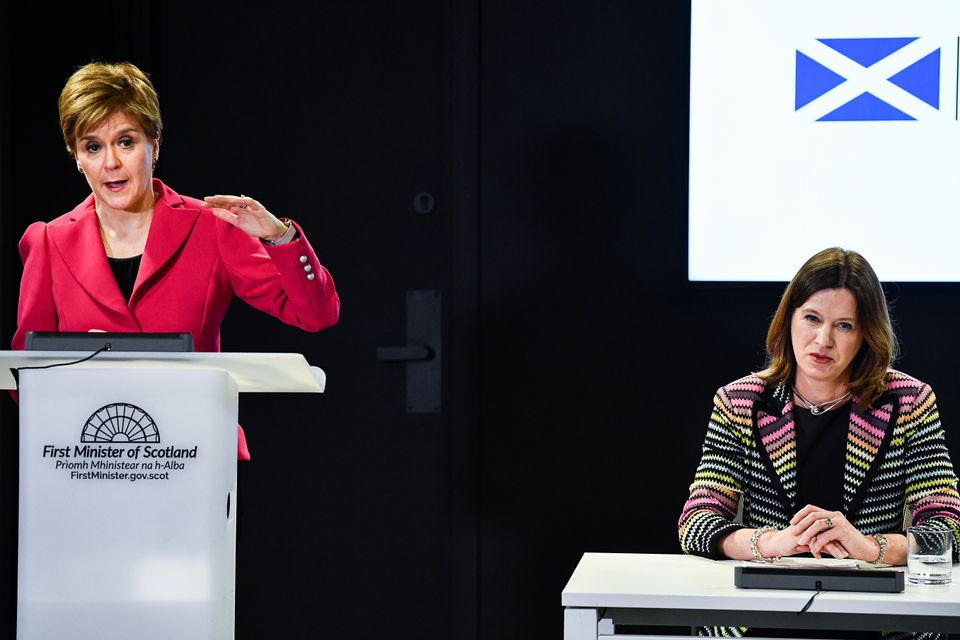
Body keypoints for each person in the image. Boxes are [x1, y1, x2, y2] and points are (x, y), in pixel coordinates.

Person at [11, 61, 340, 460]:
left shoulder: (211, 228)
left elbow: (315, 314)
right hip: (87, 459)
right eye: (93, 147)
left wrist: (279, 236)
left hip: (193, 454)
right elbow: (23, 378)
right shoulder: (47, 241)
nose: (110, 163)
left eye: (126, 141)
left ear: (156, 143)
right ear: (76, 157)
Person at [678, 247, 960, 639]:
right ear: (788, 320)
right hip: (762, 616)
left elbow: (949, 529)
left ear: (865, 334)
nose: (823, 339)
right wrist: (772, 542)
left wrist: (869, 548)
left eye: (844, 326)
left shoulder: (908, 401)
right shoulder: (740, 401)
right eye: (811, 318)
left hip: (877, 617)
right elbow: (696, 524)